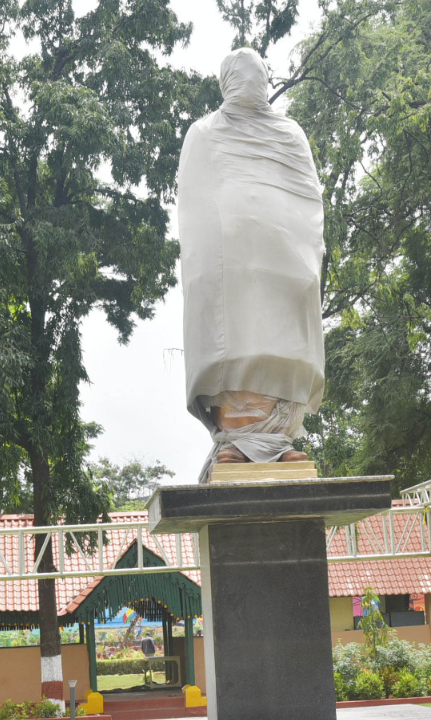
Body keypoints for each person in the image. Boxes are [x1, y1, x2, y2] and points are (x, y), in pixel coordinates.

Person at [177, 48, 326, 479]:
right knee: (240, 340)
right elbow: (197, 209)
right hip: (240, 260)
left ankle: (279, 441)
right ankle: (238, 442)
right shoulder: (208, 133)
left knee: (271, 343)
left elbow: (306, 199)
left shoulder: (283, 135)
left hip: (275, 260)